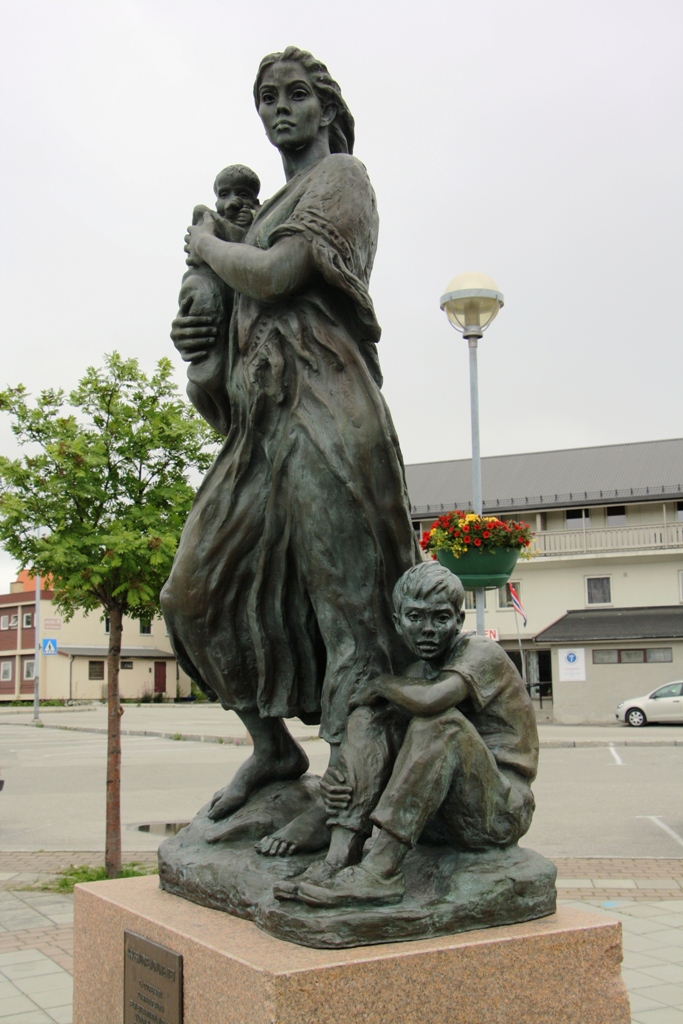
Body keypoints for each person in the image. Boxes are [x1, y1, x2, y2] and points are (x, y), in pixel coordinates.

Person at [161, 48, 420, 852]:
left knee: (349, 615)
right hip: (261, 430)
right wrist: (197, 347)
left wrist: (205, 245)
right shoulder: (264, 206)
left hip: (327, 411)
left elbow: (274, 276)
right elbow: (230, 362)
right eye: (267, 97)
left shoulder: (341, 178)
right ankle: (273, 750)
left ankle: (348, 800)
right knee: (190, 595)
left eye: (296, 95)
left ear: (324, 107)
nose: (280, 109)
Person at [279, 562, 538, 907]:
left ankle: (381, 872)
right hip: (435, 816)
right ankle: (339, 858)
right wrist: (342, 780)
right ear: (398, 622)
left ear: (459, 622)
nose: (427, 629)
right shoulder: (416, 671)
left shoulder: (480, 653)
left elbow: (432, 701)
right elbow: (381, 741)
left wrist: (381, 683)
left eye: (440, 618)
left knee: (438, 722)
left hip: (498, 811)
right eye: (416, 617)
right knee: (371, 717)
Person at [176, 165, 261, 435]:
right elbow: (198, 263)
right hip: (217, 304)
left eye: (243, 194)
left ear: (255, 201)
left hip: (250, 325)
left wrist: (255, 222)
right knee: (200, 386)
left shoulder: (265, 222)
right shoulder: (207, 222)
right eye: (224, 194)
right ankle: (234, 434)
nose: (233, 202)